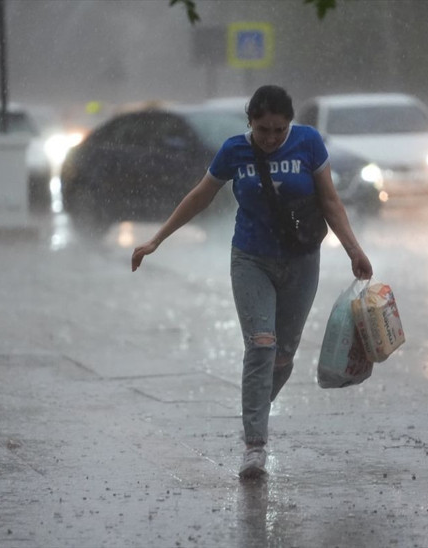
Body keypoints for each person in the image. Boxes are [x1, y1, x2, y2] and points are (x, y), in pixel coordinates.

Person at [131, 85, 372, 479]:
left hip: (301, 261)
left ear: (290, 124)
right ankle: (254, 445)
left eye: (279, 130)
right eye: (263, 130)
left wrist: (354, 251)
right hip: (250, 260)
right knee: (261, 345)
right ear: (250, 123)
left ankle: (254, 408)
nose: (271, 138)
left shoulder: (309, 143)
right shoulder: (234, 151)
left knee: (283, 356)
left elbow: (331, 201)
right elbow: (200, 196)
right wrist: (156, 239)